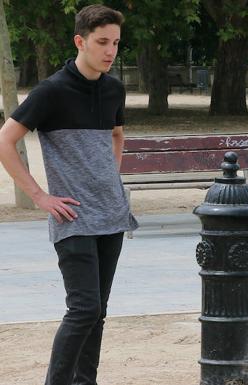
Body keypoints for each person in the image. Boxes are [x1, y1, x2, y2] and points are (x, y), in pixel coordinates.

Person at [0, 5, 137, 385]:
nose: (110, 51)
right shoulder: (52, 91)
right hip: (72, 217)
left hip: (112, 214)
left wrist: (109, 180)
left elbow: (116, 135)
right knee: (83, 308)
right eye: (102, 42)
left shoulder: (114, 88)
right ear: (80, 41)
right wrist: (40, 196)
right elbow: (5, 141)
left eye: (115, 43)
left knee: (99, 311)